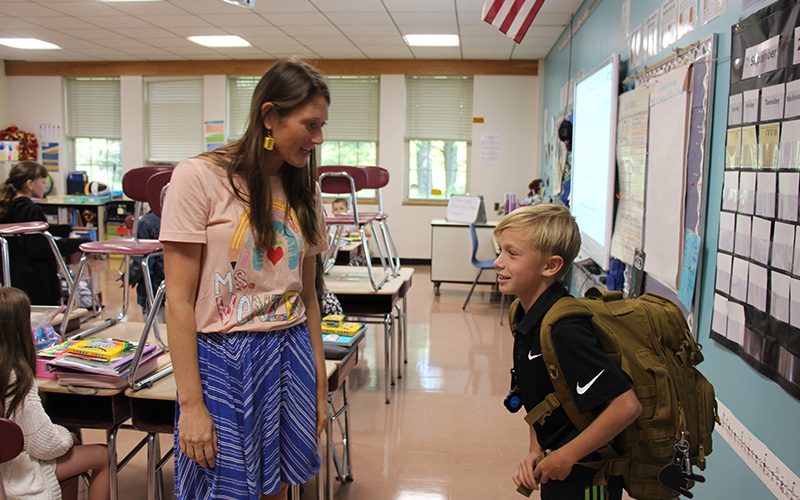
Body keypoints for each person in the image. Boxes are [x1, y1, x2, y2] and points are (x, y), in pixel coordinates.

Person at [160, 57, 330, 500]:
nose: (318, 138)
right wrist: (191, 403)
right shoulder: (198, 177)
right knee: (223, 488)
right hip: (224, 358)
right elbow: (178, 301)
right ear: (270, 116)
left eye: (322, 126)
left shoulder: (303, 188)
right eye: (310, 125)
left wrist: (319, 381)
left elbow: (308, 295)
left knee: (277, 484)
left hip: (290, 349)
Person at [493, 204, 642, 500]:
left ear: (550, 266)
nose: (498, 262)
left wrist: (567, 455)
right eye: (500, 251)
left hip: (590, 478)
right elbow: (539, 398)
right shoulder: (523, 314)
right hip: (558, 466)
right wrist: (535, 450)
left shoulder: (565, 329)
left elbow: (626, 406)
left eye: (512, 254)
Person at [0, 287, 110, 499]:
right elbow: (45, 444)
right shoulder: (18, 380)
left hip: (7, 471)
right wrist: (67, 437)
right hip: (17, 475)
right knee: (102, 455)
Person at [0, 161, 84, 305]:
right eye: (43, 182)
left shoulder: (6, 208)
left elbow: (31, 232)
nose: (45, 186)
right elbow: (41, 247)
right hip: (36, 282)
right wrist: (78, 244)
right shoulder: (32, 210)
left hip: (10, 276)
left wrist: (64, 229)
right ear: (30, 184)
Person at [128, 210, 164, 320]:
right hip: (177, 286)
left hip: (153, 287)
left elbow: (142, 263)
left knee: (154, 327)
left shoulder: (145, 223)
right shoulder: (180, 217)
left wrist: (127, 277)